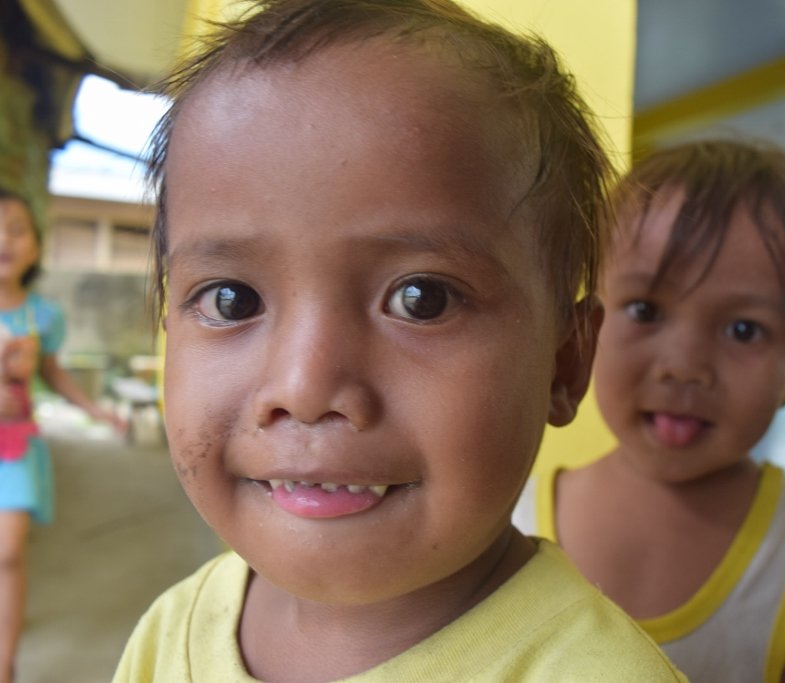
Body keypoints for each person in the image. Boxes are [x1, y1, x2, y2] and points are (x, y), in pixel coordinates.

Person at [112, 1, 688, 681]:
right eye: (231, 298)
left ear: (565, 360)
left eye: (423, 299)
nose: (304, 386)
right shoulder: (171, 632)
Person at [515, 139, 785, 682]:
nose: (685, 366)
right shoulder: (510, 521)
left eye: (743, 330)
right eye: (645, 310)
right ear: (585, 332)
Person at [0, 188, 123, 683]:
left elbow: (52, 373)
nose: (3, 240)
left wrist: (94, 409)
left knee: (8, 555)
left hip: (16, 449)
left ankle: (4, 666)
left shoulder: (44, 316)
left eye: (16, 229)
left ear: (34, 245)